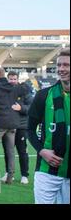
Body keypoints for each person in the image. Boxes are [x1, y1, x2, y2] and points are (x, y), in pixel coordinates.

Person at [28, 48, 69, 204]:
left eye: (66, 65)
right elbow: (30, 129)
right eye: (59, 65)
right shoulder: (43, 95)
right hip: (46, 172)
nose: (61, 69)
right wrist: (41, 150)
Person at [1, 71, 32, 184]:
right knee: (8, 152)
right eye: (10, 79)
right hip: (8, 126)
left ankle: (24, 175)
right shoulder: (4, 91)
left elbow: (31, 108)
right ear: (7, 79)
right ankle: (9, 173)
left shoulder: (24, 91)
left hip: (21, 127)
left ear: (17, 79)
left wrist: (21, 108)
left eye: (14, 79)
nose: (12, 81)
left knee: (22, 151)